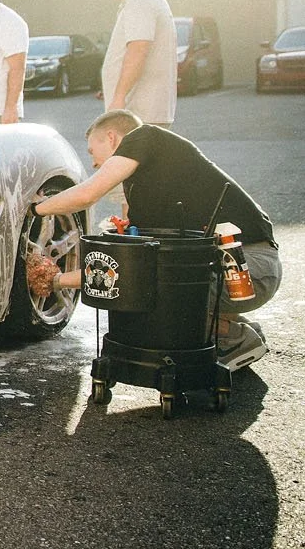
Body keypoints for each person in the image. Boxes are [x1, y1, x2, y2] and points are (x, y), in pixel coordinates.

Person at [31, 109, 280, 371]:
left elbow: (88, 195)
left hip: (248, 266)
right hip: (250, 272)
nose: (93, 163)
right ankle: (228, 325)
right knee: (151, 279)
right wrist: (56, 280)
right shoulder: (149, 191)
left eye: (92, 151)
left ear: (112, 138)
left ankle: (235, 337)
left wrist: (35, 209)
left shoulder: (145, 136)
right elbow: (123, 267)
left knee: (151, 292)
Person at [97, 0, 176, 128]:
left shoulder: (140, 0)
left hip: (137, 115)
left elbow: (138, 51)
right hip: (144, 113)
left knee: (130, 157)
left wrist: (118, 98)